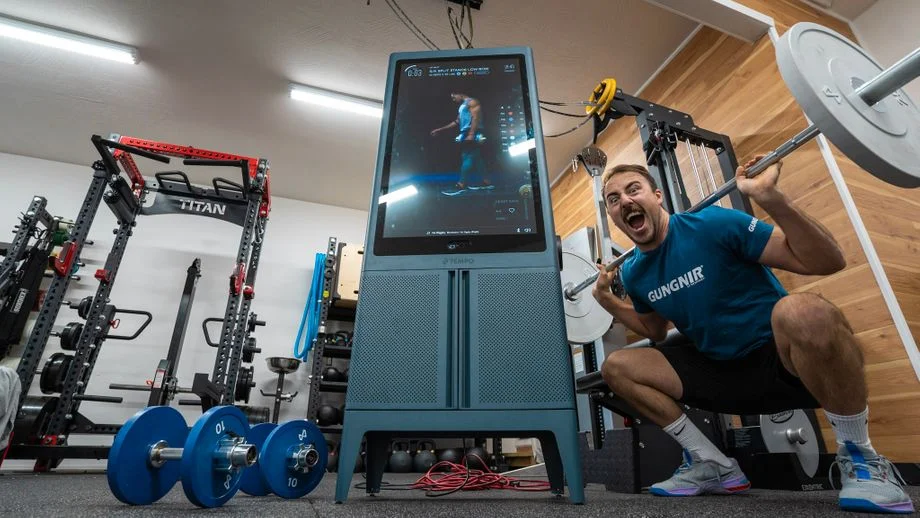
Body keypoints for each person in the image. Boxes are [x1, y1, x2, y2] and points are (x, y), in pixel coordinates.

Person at [591, 159, 914, 514]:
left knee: (803, 311)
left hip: (784, 365)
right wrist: (608, 300)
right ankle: (710, 463)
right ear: (613, 215)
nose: (624, 201)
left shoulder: (713, 224)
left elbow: (826, 261)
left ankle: (863, 459)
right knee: (617, 366)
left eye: (633, 189)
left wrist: (770, 198)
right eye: (613, 199)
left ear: (657, 196)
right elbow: (653, 329)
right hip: (721, 373)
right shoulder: (635, 271)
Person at [430, 92, 492, 196]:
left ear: (459, 93)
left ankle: (461, 185)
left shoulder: (472, 102)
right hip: (466, 132)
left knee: (467, 156)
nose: (453, 100)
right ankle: (487, 182)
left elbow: (475, 118)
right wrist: (439, 129)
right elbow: (456, 122)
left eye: (453, 97)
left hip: (473, 131)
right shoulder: (462, 106)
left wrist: (471, 134)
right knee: (476, 158)